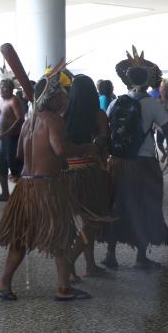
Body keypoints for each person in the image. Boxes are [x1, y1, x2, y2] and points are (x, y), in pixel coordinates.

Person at [0, 68, 97, 302]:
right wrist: (86, 148)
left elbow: (18, 153)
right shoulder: (53, 119)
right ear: (54, 97)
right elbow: (60, 149)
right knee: (60, 236)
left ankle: (3, 283)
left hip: (26, 187)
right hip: (46, 187)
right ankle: (63, 288)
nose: (66, 98)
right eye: (63, 94)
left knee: (21, 238)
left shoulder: (29, 120)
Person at [103, 47, 168, 269]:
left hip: (117, 162)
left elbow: (106, 128)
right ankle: (141, 258)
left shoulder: (116, 102)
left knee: (117, 204)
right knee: (145, 205)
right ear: (147, 81)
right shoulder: (151, 103)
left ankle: (110, 254)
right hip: (143, 162)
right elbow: (167, 129)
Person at [63, 74, 112, 279]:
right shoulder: (98, 114)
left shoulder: (64, 115)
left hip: (66, 175)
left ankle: (83, 267)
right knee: (92, 221)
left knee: (73, 222)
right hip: (90, 174)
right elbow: (105, 143)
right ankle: (70, 263)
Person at [0, 78, 25, 201]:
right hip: (3, 139)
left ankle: (22, 195)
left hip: (12, 139)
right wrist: (1, 136)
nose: (0, 89)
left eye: (3, 87)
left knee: (15, 167)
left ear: (11, 89)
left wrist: (6, 133)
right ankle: (5, 193)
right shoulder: (3, 101)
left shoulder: (14, 100)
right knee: (0, 166)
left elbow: (20, 119)